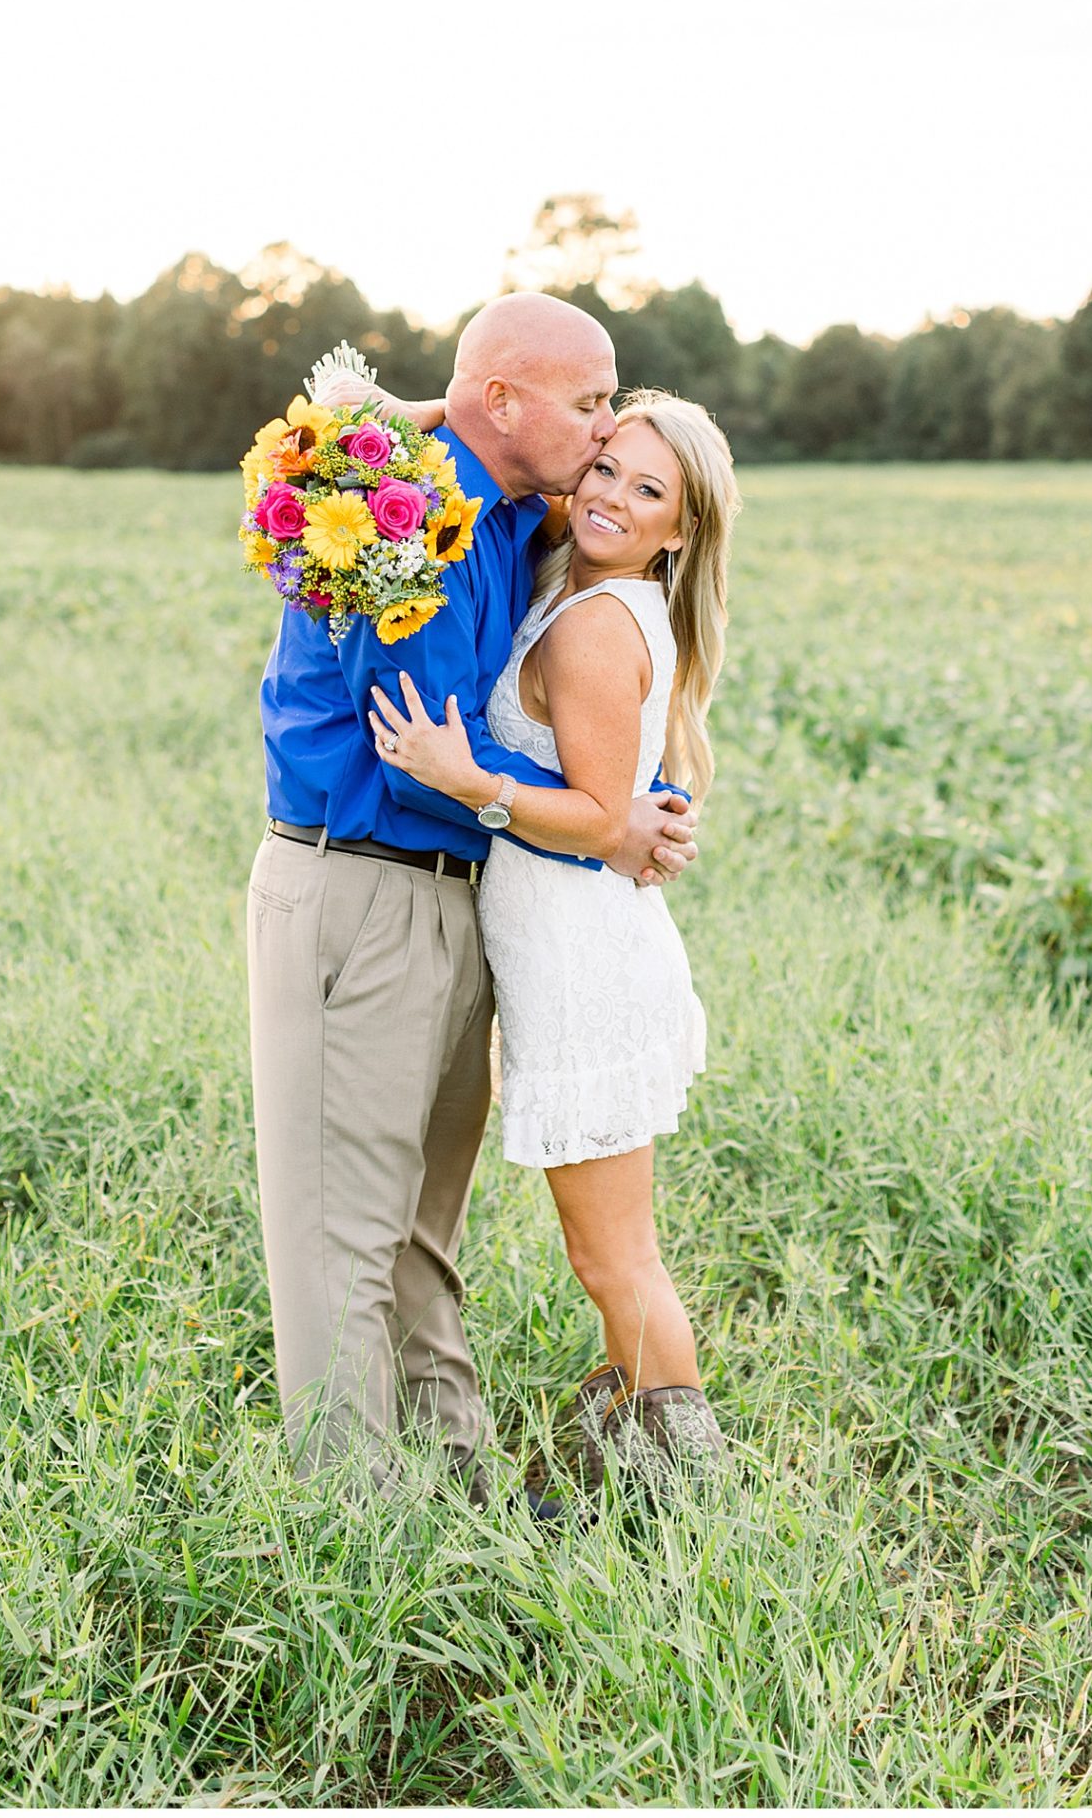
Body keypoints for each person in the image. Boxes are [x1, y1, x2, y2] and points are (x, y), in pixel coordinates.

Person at [246, 295, 700, 1496]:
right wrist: (606, 821)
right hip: (359, 885)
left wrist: (622, 802)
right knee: (342, 1237)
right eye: (589, 401)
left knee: (418, 1233)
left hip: (463, 898)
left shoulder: (507, 509)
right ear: (502, 401)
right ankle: (355, 1526)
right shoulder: (393, 520)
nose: (603, 429)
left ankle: (457, 1488)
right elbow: (428, 749)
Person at [366, 391, 740, 1489]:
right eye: (607, 466)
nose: (611, 497)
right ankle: (630, 1467)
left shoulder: (593, 625)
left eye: (648, 490)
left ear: (681, 528)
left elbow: (594, 814)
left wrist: (469, 781)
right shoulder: (575, 585)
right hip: (576, 951)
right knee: (607, 1254)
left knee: (615, 1260)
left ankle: (697, 1496)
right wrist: (422, 405)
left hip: (585, 966)